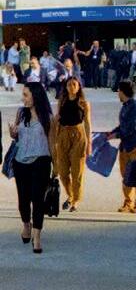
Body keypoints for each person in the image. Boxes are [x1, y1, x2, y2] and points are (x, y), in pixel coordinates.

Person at [9, 81, 56, 254]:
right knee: (23, 200)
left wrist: (56, 165)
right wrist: (13, 133)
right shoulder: (21, 113)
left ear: (35, 96)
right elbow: (16, 137)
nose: (23, 98)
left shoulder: (48, 117)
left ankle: (37, 237)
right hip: (21, 162)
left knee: (38, 200)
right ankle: (26, 225)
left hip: (41, 161)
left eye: (26, 95)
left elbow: (52, 142)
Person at [106, 80, 136, 214]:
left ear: (123, 92)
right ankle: (128, 202)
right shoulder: (125, 105)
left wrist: (116, 135)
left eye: (119, 91)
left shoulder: (135, 106)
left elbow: (131, 127)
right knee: (126, 176)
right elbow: (122, 126)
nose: (118, 93)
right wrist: (112, 132)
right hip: (125, 145)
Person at [54, 76, 92, 212]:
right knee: (63, 171)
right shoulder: (62, 101)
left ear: (79, 87)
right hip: (63, 135)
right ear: (65, 87)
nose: (71, 87)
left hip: (78, 135)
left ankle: (75, 200)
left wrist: (89, 143)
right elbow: (57, 119)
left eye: (74, 84)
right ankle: (70, 195)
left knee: (77, 171)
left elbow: (87, 123)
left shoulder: (84, 103)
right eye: (69, 84)